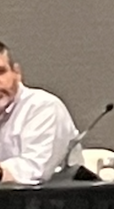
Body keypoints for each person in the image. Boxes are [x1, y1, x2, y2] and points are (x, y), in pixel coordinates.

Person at [0, 42, 80, 185]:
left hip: (51, 203)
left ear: (16, 73)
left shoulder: (43, 107)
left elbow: (34, 168)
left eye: (1, 72)